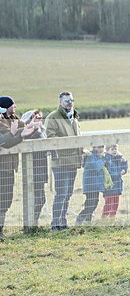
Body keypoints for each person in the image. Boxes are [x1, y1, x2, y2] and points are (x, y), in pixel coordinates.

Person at [0, 96, 40, 237]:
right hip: (2, 166)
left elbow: (21, 129)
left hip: (9, 166)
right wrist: (18, 133)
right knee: (2, 200)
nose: (15, 106)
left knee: (6, 200)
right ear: (6, 107)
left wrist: (32, 125)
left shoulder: (13, 118)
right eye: (12, 104)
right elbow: (5, 141)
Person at [44, 91, 83, 231]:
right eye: (67, 101)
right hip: (60, 162)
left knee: (68, 194)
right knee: (61, 194)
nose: (70, 103)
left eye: (72, 100)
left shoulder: (74, 117)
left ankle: (63, 222)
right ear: (60, 102)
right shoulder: (53, 117)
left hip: (73, 161)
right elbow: (50, 138)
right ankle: (55, 224)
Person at [20, 109, 49, 229]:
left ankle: (33, 222)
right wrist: (37, 128)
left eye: (41, 117)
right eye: (37, 117)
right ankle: (31, 223)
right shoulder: (32, 132)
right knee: (38, 199)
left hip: (41, 167)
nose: (40, 119)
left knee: (40, 198)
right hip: (34, 169)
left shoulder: (41, 130)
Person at [76, 145, 109, 225]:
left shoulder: (100, 156)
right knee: (90, 204)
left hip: (96, 185)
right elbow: (96, 166)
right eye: (99, 147)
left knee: (94, 203)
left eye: (102, 147)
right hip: (90, 185)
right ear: (94, 147)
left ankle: (87, 221)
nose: (101, 149)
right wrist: (103, 160)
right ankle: (80, 218)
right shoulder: (91, 156)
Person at [102, 144, 128, 220]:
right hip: (109, 186)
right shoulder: (107, 160)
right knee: (108, 202)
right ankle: (104, 216)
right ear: (107, 150)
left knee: (116, 202)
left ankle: (112, 216)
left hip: (117, 185)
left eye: (115, 149)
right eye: (112, 149)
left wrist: (124, 163)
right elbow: (108, 173)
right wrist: (119, 174)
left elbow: (123, 169)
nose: (114, 151)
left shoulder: (119, 158)